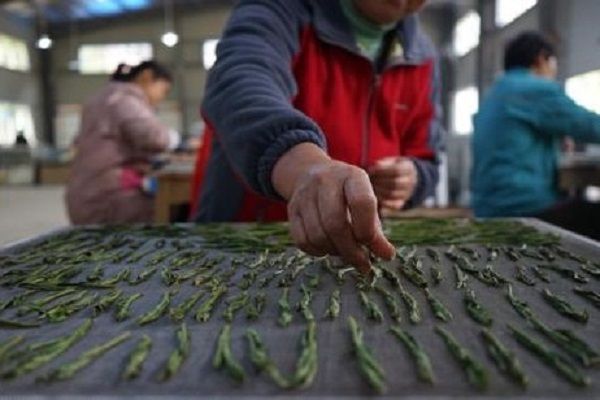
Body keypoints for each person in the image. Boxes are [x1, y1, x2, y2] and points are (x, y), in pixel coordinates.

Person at [190, 0, 444, 272]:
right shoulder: (280, 10)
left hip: (346, 256)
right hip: (243, 246)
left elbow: (427, 153)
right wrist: (300, 165)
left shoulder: (422, 57)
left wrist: (412, 177)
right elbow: (238, 83)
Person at [471, 32, 600, 238]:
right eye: (553, 63)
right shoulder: (534, 88)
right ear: (541, 59)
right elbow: (589, 126)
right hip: (522, 208)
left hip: (488, 207)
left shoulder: (497, 90)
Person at [66, 61, 180, 225]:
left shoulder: (101, 99)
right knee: (175, 211)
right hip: (108, 200)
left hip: (86, 195)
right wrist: (175, 139)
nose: (161, 98)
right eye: (163, 90)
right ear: (146, 77)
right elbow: (153, 137)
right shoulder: (124, 100)